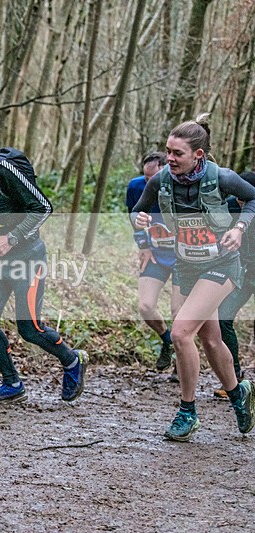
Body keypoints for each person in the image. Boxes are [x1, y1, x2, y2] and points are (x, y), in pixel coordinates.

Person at [131, 114, 255, 441]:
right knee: (210, 339)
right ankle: (238, 393)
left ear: (197, 155)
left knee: (181, 333)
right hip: (187, 266)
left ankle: (187, 411)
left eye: (177, 154)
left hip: (223, 264)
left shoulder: (223, 178)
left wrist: (240, 229)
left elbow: (253, 197)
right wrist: (141, 218)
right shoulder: (160, 180)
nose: (169, 158)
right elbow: (137, 211)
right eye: (168, 151)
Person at [0, 124, 88, 403]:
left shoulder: (5, 170)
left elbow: (43, 208)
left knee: (30, 328)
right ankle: (12, 383)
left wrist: (10, 238)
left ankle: (72, 360)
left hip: (28, 257)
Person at [126, 152, 180, 372]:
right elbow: (133, 216)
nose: (150, 183)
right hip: (156, 254)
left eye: (154, 179)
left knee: (179, 313)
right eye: (146, 179)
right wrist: (143, 245)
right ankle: (167, 341)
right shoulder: (135, 187)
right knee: (145, 307)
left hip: (182, 258)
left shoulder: (181, 187)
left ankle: (181, 359)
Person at [215, 171, 255, 398]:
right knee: (223, 318)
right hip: (240, 273)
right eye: (238, 197)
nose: (241, 202)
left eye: (245, 198)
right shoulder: (228, 206)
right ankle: (234, 376)